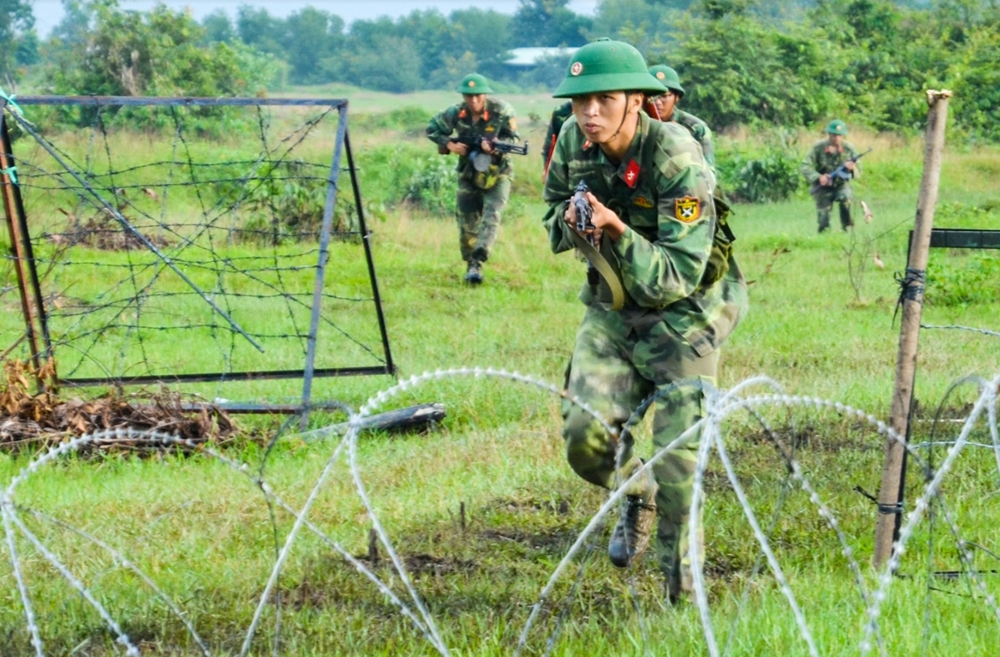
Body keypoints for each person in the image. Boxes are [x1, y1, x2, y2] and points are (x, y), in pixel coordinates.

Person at [542, 38, 747, 603]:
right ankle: (637, 491)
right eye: (580, 100)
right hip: (613, 307)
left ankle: (684, 600)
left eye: (604, 99)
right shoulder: (571, 141)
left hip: (687, 313)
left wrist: (613, 227)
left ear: (638, 100)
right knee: (586, 442)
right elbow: (550, 217)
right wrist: (571, 223)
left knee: (680, 461)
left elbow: (677, 275)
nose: (588, 112)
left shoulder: (677, 155)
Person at [426, 73, 521, 284]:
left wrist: (495, 146)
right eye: (469, 96)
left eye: (478, 96)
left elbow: (513, 139)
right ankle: (471, 266)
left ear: (485, 94)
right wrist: (449, 144)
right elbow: (431, 128)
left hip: (498, 172)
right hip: (469, 171)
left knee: (491, 215)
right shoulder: (455, 112)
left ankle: (479, 259)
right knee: (466, 220)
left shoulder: (502, 111)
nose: (474, 101)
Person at [647, 65, 716, 176]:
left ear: (677, 97)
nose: (657, 102)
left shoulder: (695, 128)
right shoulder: (634, 125)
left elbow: (709, 173)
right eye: (652, 97)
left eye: (664, 96)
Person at [801, 119, 861, 233]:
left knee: (846, 198)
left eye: (839, 135)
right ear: (829, 134)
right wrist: (818, 177)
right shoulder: (818, 147)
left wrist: (852, 168)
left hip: (841, 184)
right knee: (823, 221)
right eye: (834, 135)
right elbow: (805, 166)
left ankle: (846, 227)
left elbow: (859, 170)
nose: (836, 138)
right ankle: (825, 236)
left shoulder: (849, 148)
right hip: (823, 187)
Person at [542, 101, 572, 180]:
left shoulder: (594, 110)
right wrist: (547, 167)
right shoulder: (560, 111)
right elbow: (550, 142)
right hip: (563, 165)